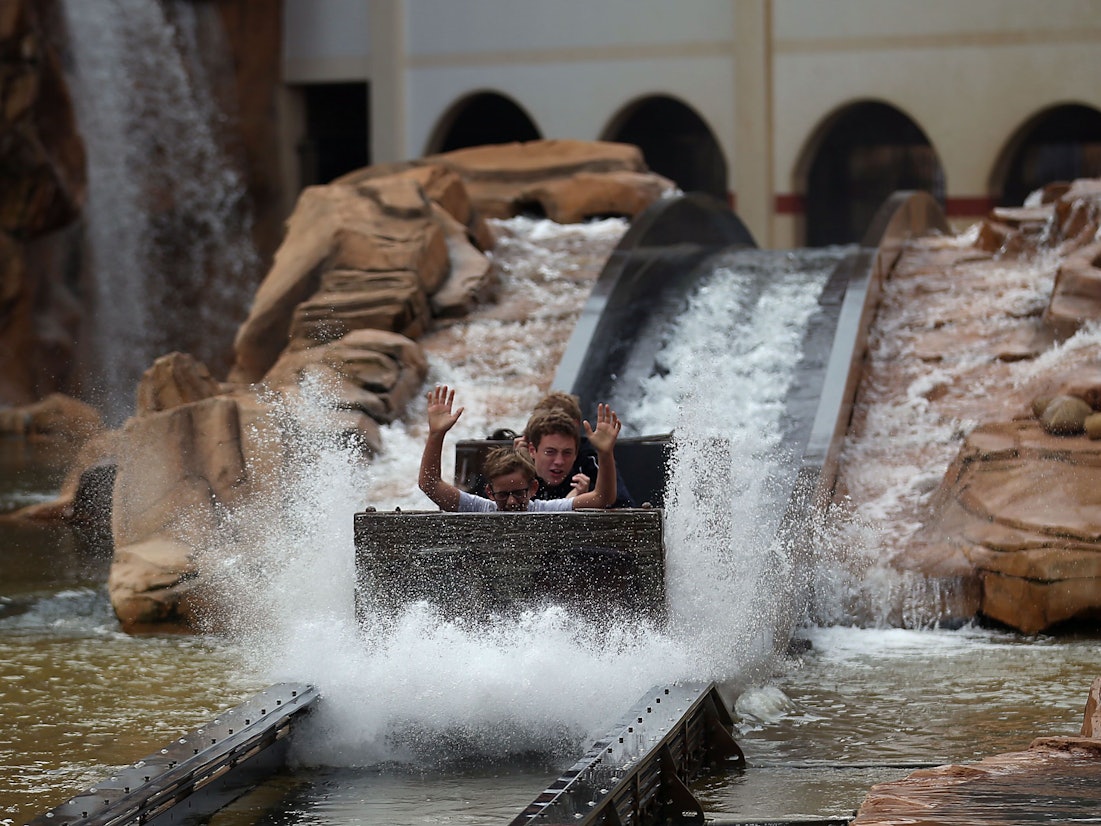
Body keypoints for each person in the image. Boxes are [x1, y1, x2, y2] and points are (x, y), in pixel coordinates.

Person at [418, 385, 622, 512]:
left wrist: (605, 454)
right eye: (503, 495)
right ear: (489, 492)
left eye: (519, 493)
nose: (511, 502)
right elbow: (429, 484)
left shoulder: (544, 510)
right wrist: (436, 434)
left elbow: (603, 497)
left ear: (533, 489)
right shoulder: (482, 508)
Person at [521, 393, 636, 508]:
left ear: (576, 452)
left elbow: (605, 498)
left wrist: (605, 453)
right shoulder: (517, 473)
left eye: (567, 453)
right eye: (550, 452)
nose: (559, 461)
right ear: (532, 450)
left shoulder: (588, 459)